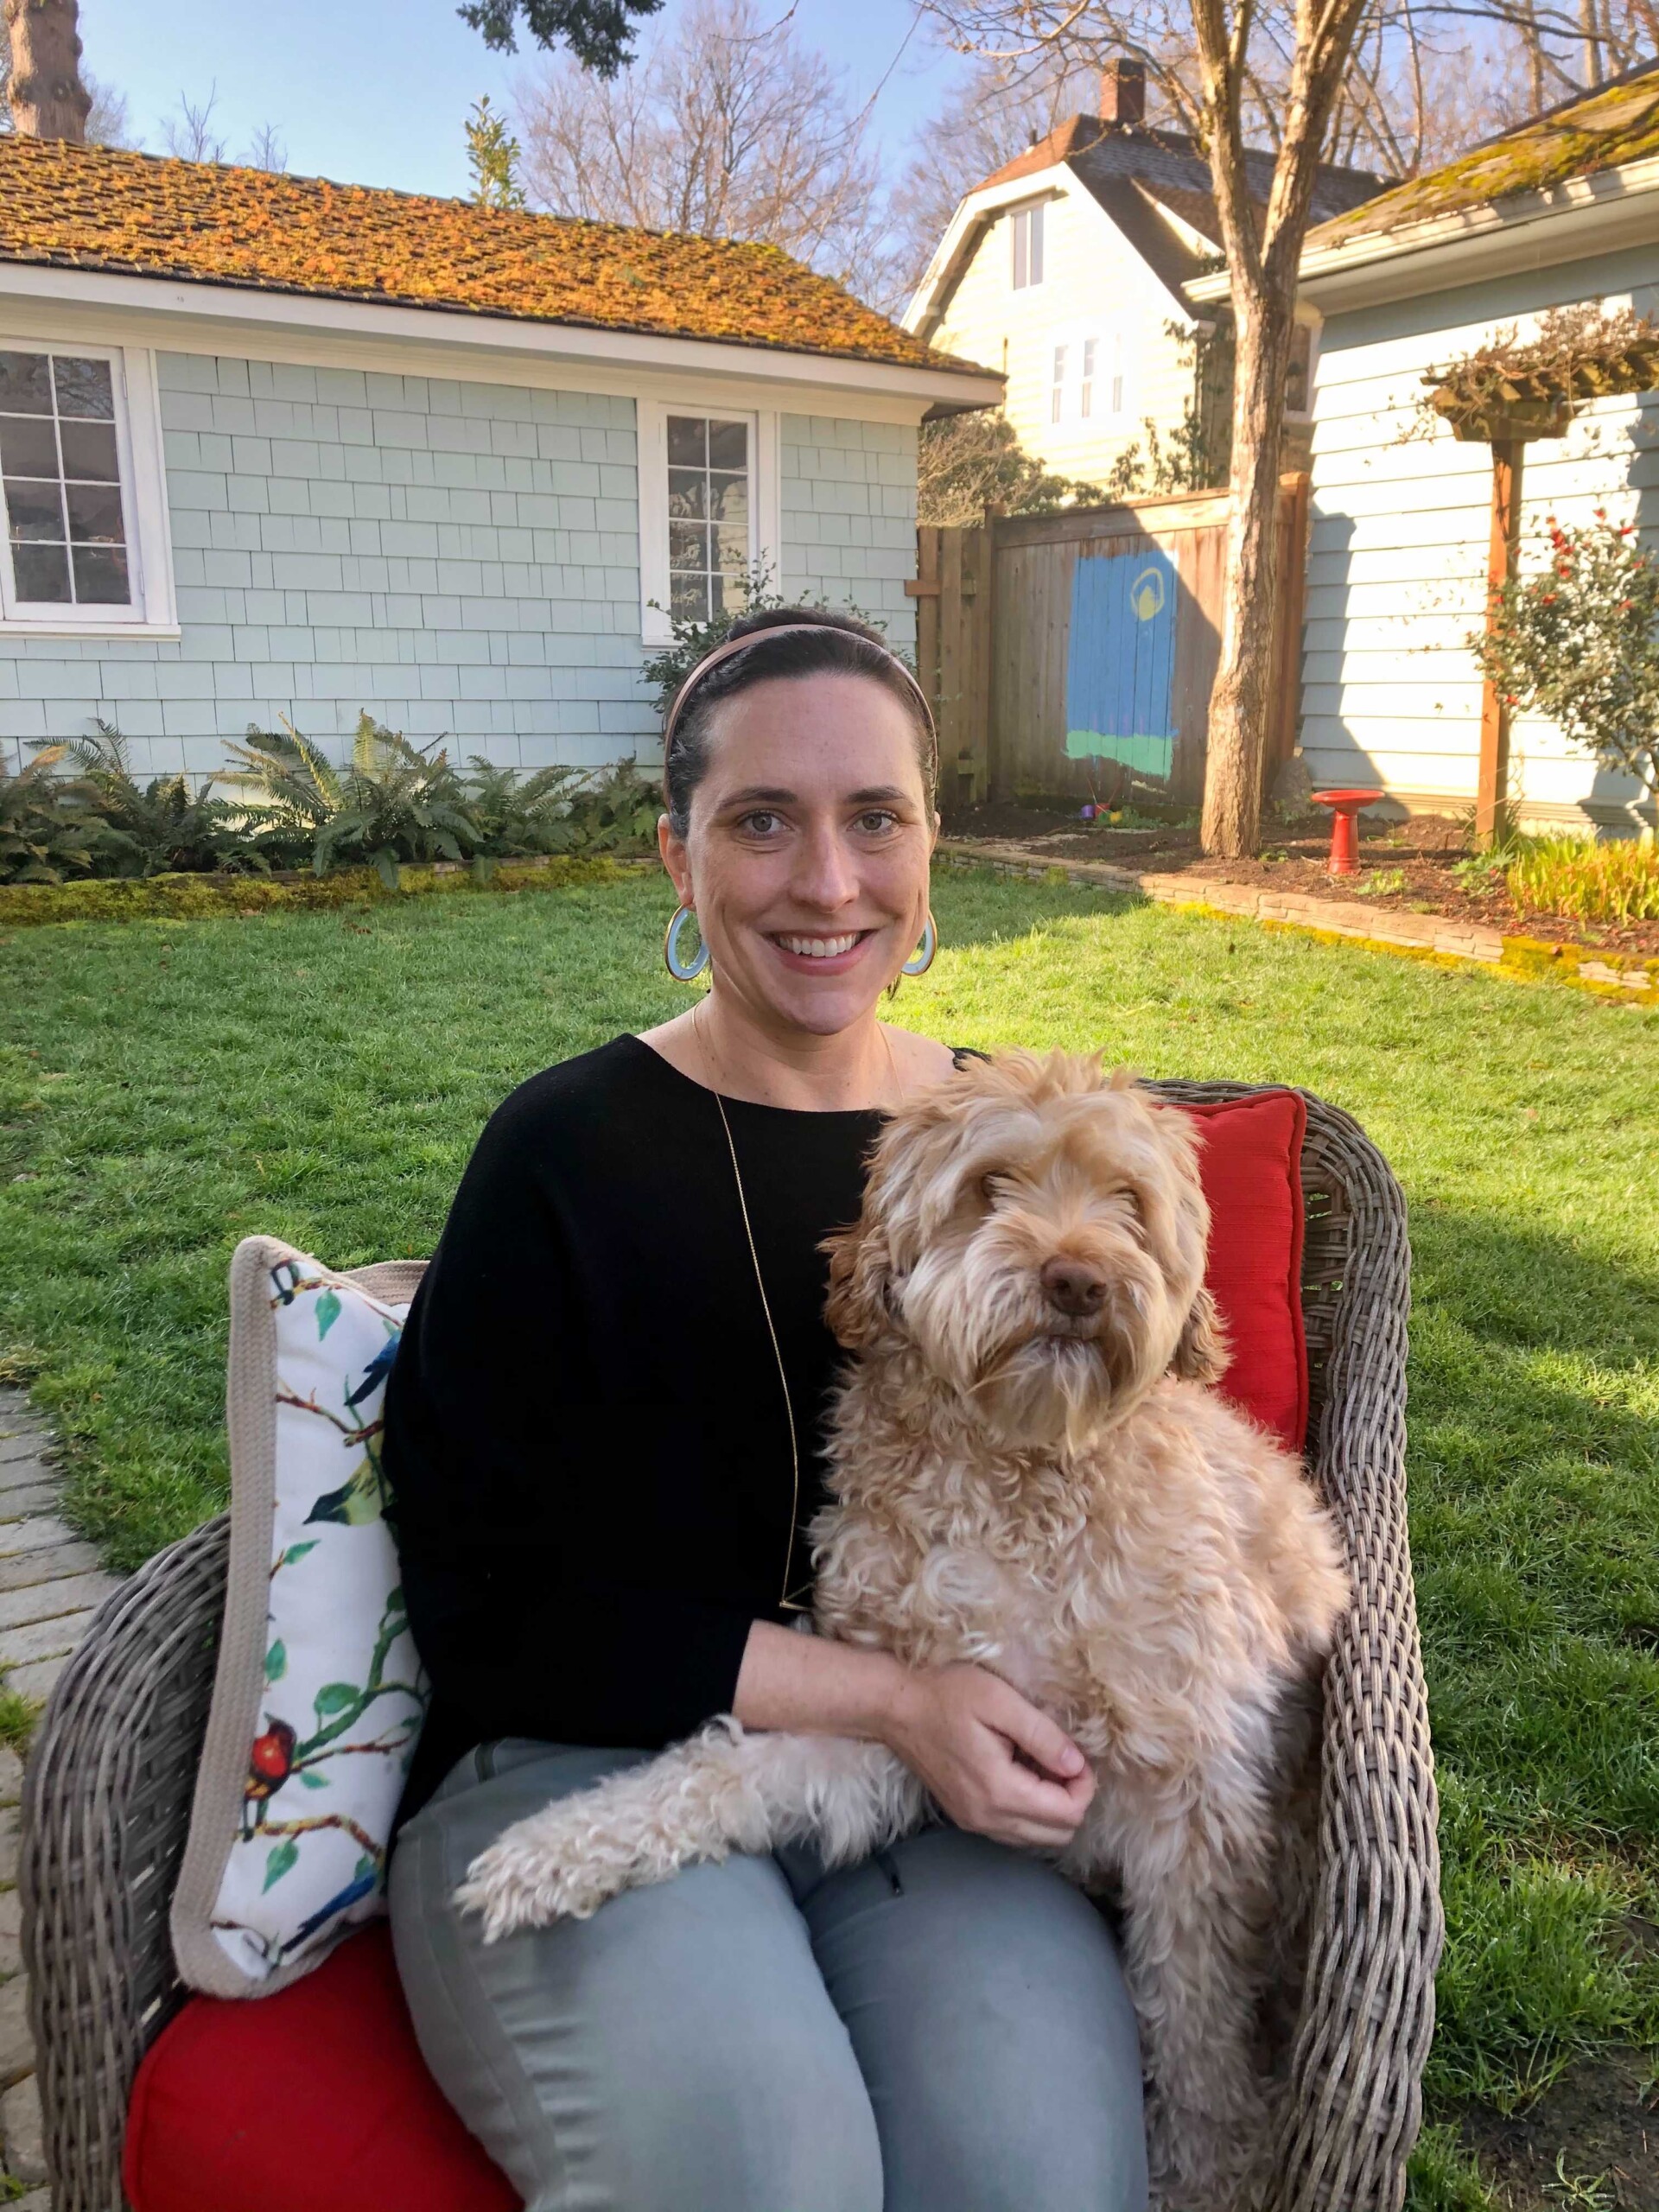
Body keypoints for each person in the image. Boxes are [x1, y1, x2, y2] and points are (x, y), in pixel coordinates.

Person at [382, 608, 1149, 2212]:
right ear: (679, 859)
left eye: (876, 817)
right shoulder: (562, 1153)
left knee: (1041, 2182)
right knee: (765, 2175)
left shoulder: (1015, 1139)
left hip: (926, 1806)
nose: (827, 880)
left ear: (933, 847)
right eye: (762, 822)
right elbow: (487, 1609)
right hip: (579, 1767)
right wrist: (888, 1699)